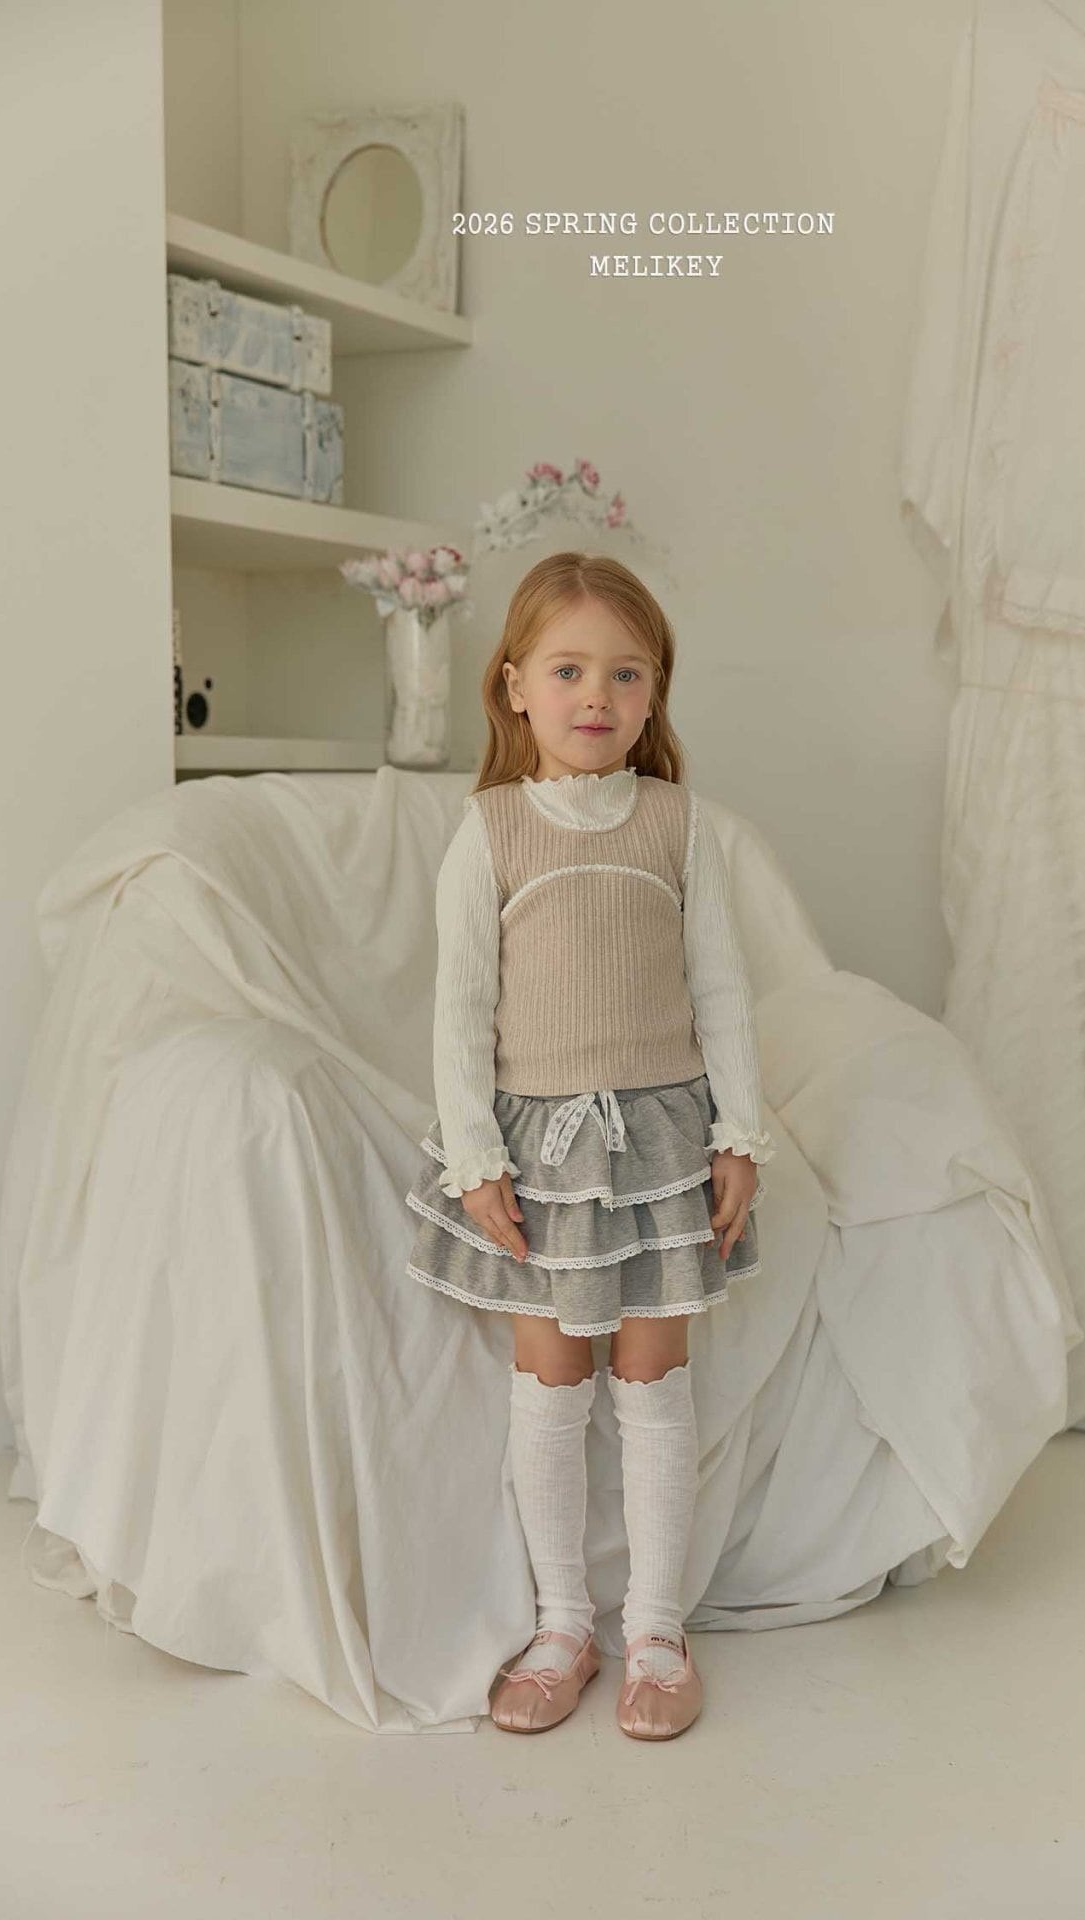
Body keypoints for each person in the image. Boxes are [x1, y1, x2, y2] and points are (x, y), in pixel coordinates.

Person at [403, 550, 775, 1740]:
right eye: (566, 670)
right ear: (515, 686)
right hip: (539, 1156)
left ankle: (656, 1629)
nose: (595, 695)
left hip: (660, 1142)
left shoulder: (675, 822)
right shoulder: (490, 831)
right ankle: (562, 1623)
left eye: (624, 672)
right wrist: (476, 1161)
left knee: (653, 1388)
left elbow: (721, 989)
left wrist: (738, 1134)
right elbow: (459, 1011)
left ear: (654, 690)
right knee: (551, 1390)